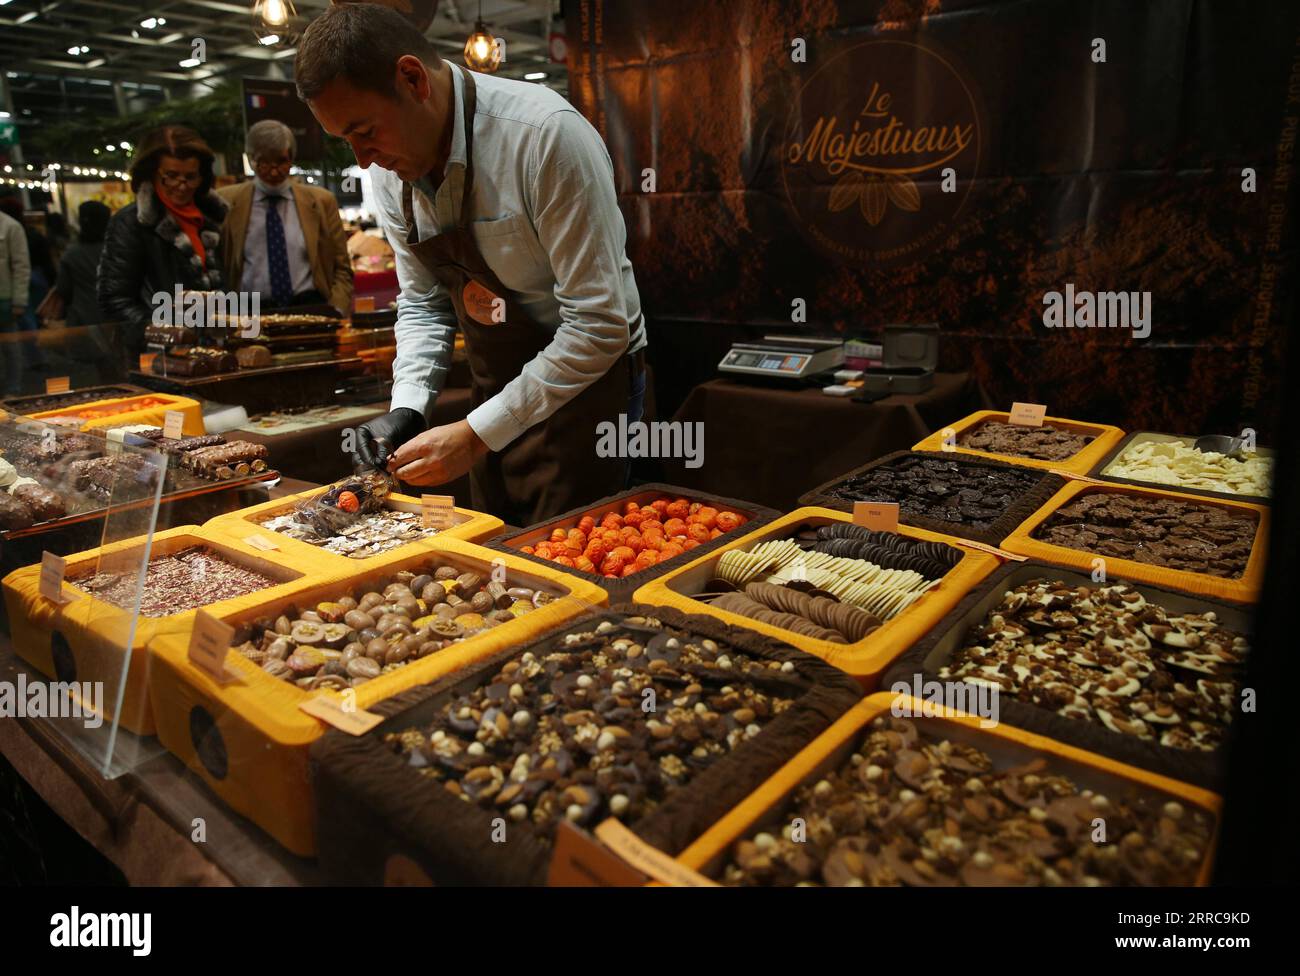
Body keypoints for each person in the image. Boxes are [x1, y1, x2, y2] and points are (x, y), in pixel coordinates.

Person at [295, 3, 648, 525]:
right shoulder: (389, 174)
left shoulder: (544, 137)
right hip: (495, 388)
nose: (362, 159)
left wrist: (477, 433)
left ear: (412, 79)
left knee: (577, 559)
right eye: (346, 140)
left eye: (365, 131)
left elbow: (599, 326)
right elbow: (423, 304)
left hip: (591, 389)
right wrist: (409, 407)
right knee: (502, 558)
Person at [97, 125, 227, 360]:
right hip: (160, 357)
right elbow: (114, 300)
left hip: (211, 351)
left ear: (202, 176)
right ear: (152, 173)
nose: (182, 185)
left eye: (190, 176)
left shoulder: (210, 218)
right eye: (171, 176)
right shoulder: (131, 222)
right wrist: (165, 333)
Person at [218, 119, 353, 314]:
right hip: (250, 311)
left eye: (281, 161)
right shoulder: (227, 201)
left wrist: (336, 309)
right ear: (251, 158)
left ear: (291, 157)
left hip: (310, 307)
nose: (274, 171)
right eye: (264, 162)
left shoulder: (322, 201)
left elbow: (342, 266)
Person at [38, 201, 114, 382]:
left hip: (84, 317)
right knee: (115, 364)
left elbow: (63, 288)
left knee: (91, 371)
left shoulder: (72, 253)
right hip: (115, 316)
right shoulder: (116, 249)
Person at [0, 205, 31, 395]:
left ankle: (13, 389)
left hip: (4, 297)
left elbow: (21, 265)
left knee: (10, 347)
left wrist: (19, 300)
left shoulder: (10, 226)